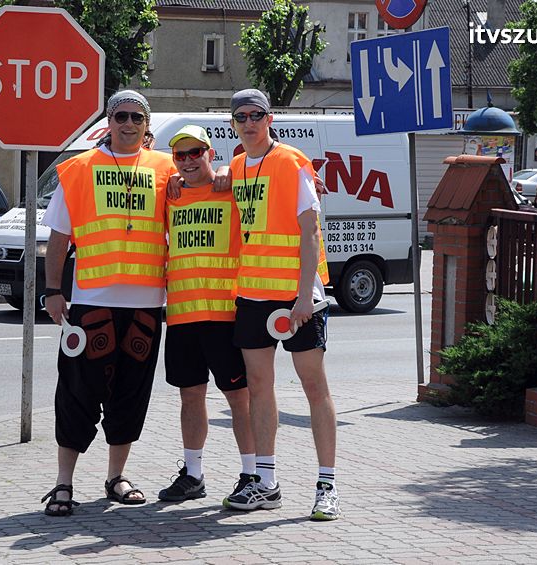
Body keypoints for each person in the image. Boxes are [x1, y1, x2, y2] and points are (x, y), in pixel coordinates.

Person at [40, 90, 176, 515]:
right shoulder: (78, 170)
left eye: (137, 117)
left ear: (147, 125)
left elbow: (210, 185)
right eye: (122, 116)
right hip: (90, 302)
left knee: (131, 394)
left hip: (146, 304)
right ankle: (63, 484)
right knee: (77, 392)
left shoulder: (166, 168)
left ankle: (116, 477)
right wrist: (53, 290)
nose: (129, 123)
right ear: (109, 121)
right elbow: (59, 238)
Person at [223, 89, 340, 521]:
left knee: (314, 387)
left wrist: (303, 296)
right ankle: (265, 483)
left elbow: (310, 233)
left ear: (270, 119)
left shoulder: (292, 163)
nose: (249, 122)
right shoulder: (236, 166)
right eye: (241, 117)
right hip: (253, 294)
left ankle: (326, 485)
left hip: (297, 297)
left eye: (256, 115)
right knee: (258, 387)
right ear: (233, 123)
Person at [157, 125, 257, 506]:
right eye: (180, 155)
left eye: (195, 152)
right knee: (190, 396)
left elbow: (268, 169)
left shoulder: (232, 187)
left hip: (225, 314)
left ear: (209, 153)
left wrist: (232, 170)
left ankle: (250, 474)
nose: (187, 161)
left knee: (239, 399)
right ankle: (193, 475)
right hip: (182, 314)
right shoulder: (171, 194)